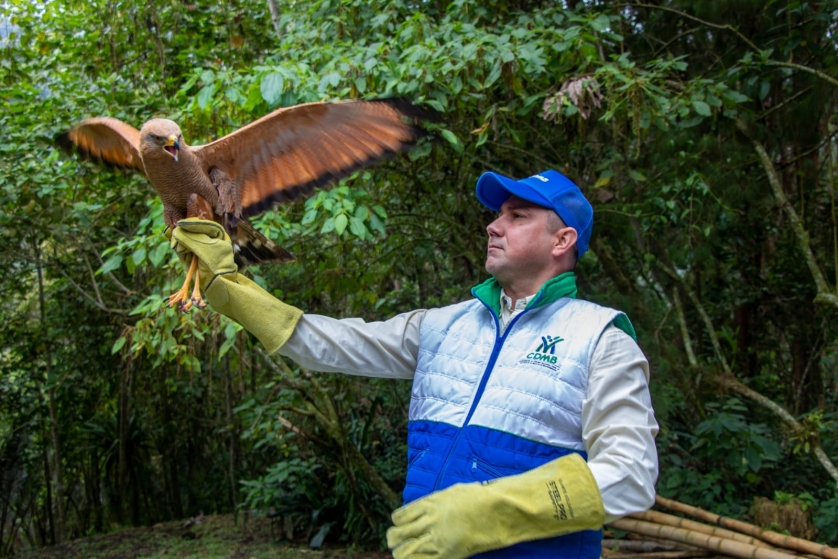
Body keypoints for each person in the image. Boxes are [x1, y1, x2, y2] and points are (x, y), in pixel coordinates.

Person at [170, 169, 659, 559]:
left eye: (517, 216)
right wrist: (228, 287)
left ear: (562, 241)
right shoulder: (443, 326)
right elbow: (332, 343)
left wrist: (498, 509)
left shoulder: (601, 339)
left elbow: (632, 475)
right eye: (496, 214)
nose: (493, 225)